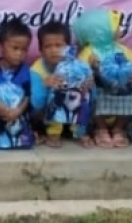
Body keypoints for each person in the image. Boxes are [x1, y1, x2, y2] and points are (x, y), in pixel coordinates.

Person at [74, 8, 132, 148]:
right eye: (116, 26)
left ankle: (118, 128)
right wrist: (92, 69)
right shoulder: (89, 52)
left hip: (121, 88)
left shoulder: (122, 49)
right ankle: (101, 128)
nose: (120, 29)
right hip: (99, 89)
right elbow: (80, 71)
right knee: (92, 96)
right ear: (101, 30)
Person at [28, 20, 93, 148]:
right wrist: (44, 86)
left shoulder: (76, 65)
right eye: (48, 46)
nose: (54, 50)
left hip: (72, 110)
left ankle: (80, 131)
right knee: (54, 94)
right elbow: (35, 104)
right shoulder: (36, 70)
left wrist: (89, 83)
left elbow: (89, 87)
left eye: (59, 45)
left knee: (86, 93)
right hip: (46, 116)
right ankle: (52, 132)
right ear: (41, 50)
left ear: (68, 47)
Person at [0, 19, 35, 150]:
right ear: (1, 47)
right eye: (15, 48)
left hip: (18, 113)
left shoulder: (25, 70)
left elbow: (27, 96)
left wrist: (18, 111)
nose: (19, 53)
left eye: (24, 49)